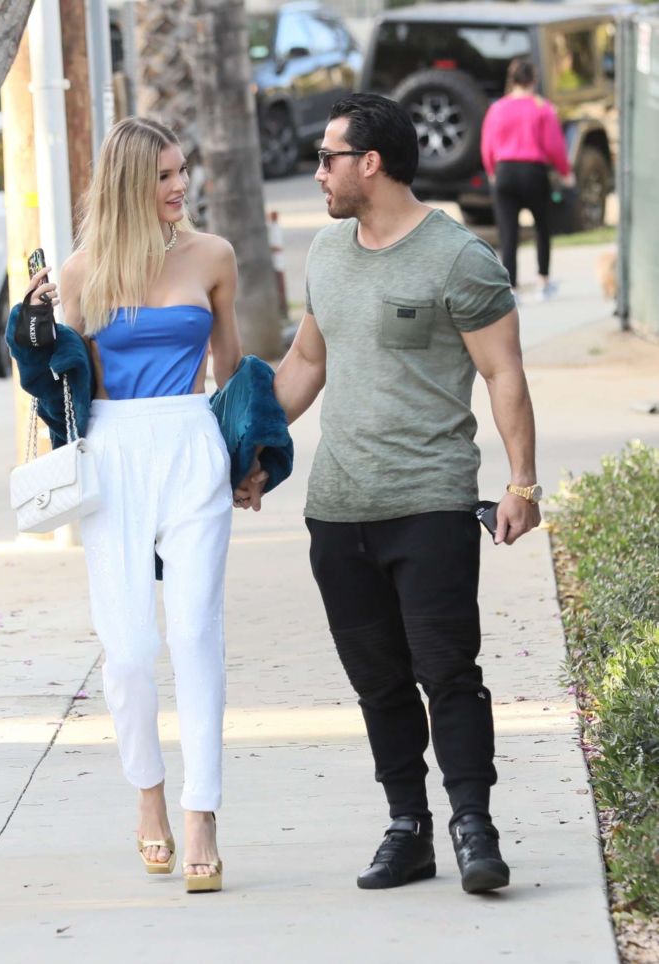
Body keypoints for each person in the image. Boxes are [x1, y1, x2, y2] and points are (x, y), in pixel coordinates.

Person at [235, 93, 542, 893]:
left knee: (448, 670)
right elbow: (305, 363)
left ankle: (474, 826)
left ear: (369, 163)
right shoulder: (328, 254)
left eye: (328, 158)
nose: (318, 172)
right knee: (377, 681)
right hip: (339, 509)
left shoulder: (458, 258)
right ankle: (407, 828)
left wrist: (521, 483)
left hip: (431, 501)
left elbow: (503, 371)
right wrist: (256, 449)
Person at [24, 116, 244, 893]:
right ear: (127, 184)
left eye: (182, 170)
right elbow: (60, 391)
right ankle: (148, 796)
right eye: (163, 176)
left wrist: (248, 460)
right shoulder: (81, 273)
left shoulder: (212, 256)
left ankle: (201, 812)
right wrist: (38, 328)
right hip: (114, 453)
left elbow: (233, 372)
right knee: (127, 652)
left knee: (193, 632)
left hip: (190, 441)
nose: (179, 185)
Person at [481, 57, 574, 300]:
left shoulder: (497, 108)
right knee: (542, 227)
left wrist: (492, 170)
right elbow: (554, 146)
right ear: (534, 79)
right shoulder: (542, 108)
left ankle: (511, 288)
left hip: (505, 171)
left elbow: (487, 145)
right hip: (533, 171)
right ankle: (543, 282)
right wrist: (565, 173)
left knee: (508, 232)